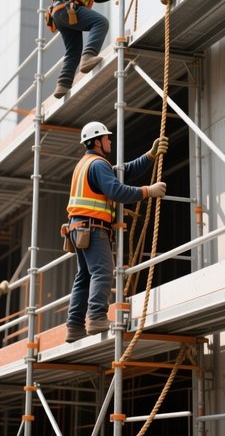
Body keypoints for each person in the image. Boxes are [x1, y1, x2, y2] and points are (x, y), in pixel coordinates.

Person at [64, 122, 168, 342]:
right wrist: (147, 191)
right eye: (106, 138)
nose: (110, 141)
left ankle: (74, 326)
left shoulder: (86, 164)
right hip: (93, 228)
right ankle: (96, 317)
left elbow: (124, 172)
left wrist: (149, 155)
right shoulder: (98, 164)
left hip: (79, 228)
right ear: (97, 141)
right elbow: (116, 190)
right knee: (102, 271)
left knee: (84, 276)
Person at [50, 0, 149, 99]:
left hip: (60, 12)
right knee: (100, 22)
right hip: (68, 9)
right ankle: (88, 57)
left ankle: (63, 84)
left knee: (73, 50)